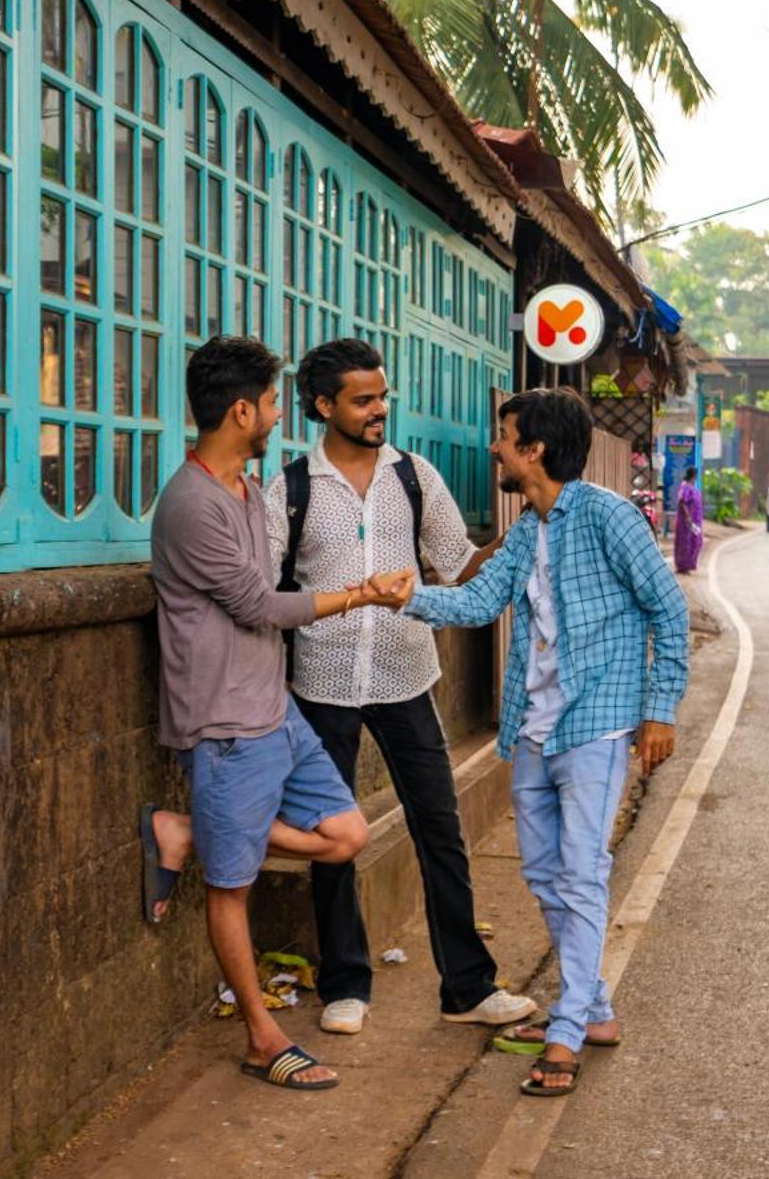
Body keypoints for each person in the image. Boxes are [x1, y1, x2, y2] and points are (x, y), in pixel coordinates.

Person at [374, 389, 690, 1098]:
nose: (495, 447)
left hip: (598, 722)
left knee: (580, 872)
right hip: (534, 725)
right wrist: (407, 595)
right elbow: (481, 603)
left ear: (534, 449)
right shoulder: (527, 530)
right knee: (545, 872)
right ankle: (595, 1009)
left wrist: (659, 709)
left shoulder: (609, 517)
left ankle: (566, 1029)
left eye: (504, 436)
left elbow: (668, 609)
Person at [139, 334, 407, 1091]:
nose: (276, 417)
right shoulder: (190, 504)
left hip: (274, 709)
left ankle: (187, 830)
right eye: (270, 403)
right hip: (224, 721)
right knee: (232, 889)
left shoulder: (249, 493)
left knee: (347, 833)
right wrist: (359, 592)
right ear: (241, 410)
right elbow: (261, 604)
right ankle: (262, 1034)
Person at [265, 338, 537, 1037]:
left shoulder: (415, 477)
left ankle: (468, 986)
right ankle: (344, 984)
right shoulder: (290, 488)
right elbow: (263, 591)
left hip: (406, 675)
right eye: (363, 399)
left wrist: (523, 527)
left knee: (439, 828)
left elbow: (457, 566)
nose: (379, 408)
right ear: (324, 406)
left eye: (382, 394)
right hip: (320, 680)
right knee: (335, 836)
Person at [673, 465, 704, 574]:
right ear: (694, 475)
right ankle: (683, 567)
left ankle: (688, 565)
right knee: (685, 542)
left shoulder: (692, 486)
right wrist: (687, 516)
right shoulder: (685, 486)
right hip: (687, 521)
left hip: (695, 521)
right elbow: (683, 501)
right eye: (696, 475)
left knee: (696, 542)